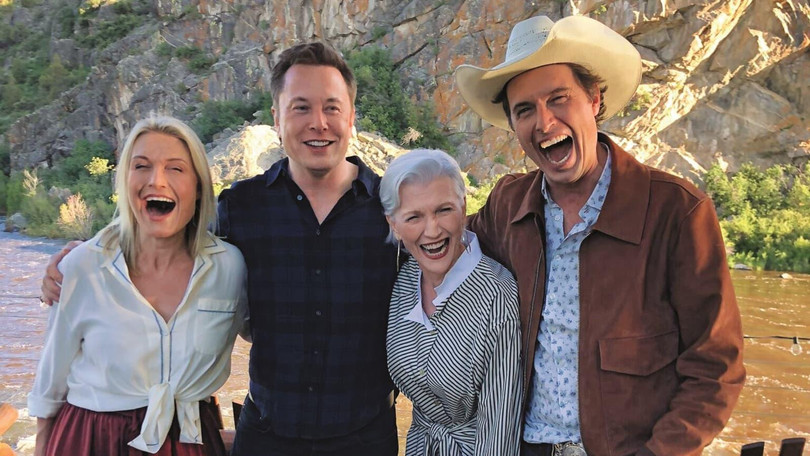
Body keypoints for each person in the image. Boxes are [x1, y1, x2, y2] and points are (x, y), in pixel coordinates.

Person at [40, 42, 398, 455]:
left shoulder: (394, 208)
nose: (318, 123)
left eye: (332, 108)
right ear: (276, 118)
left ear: (351, 118)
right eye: (300, 107)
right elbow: (165, 230)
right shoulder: (240, 207)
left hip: (367, 437)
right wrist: (85, 253)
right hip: (266, 439)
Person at [455, 15, 745, 456]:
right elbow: (439, 245)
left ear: (593, 100)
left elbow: (715, 367)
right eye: (524, 110)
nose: (544, 122)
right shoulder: (507, 206)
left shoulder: (677, 211)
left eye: (558, 99)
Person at [28, 116, 248, 456]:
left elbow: (270, 335)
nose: (156, 180)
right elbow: (51, 376)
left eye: (175, 168)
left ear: (198, 187)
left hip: (188, 441)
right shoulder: (82, 266)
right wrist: (42, 446)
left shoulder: (230, 267)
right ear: (125, 181)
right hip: (92, 440)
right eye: (141, 166)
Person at [381, 149, 523, 455]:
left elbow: (500, 426)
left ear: (463, 207)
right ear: (394, 224)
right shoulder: (404, 280)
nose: (432, 230)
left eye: (443, 210)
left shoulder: (497, 295)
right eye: (414, 217)